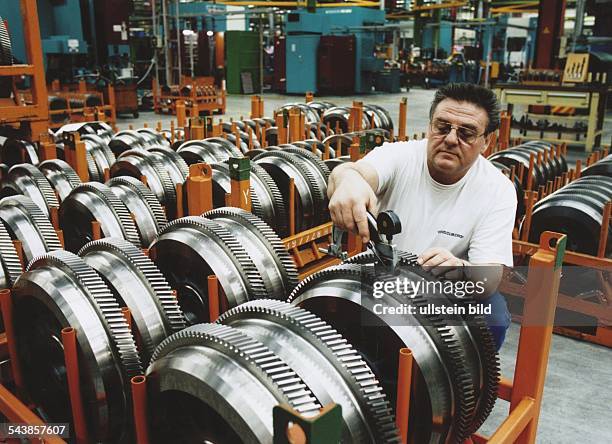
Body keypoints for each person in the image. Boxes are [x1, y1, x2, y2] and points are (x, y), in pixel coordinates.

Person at [327, 83, 516, 350]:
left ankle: (461, 388)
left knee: (492, 315)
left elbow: (489, 279)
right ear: (430, 127)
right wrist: (347, 179)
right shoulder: (400, 156)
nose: (451, 139)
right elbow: (350, 173)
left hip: (444, 289)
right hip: (383, 277)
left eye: (466, 133)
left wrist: (461, 269)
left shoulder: (497, 190)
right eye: (442, 127)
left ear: (487, 141)